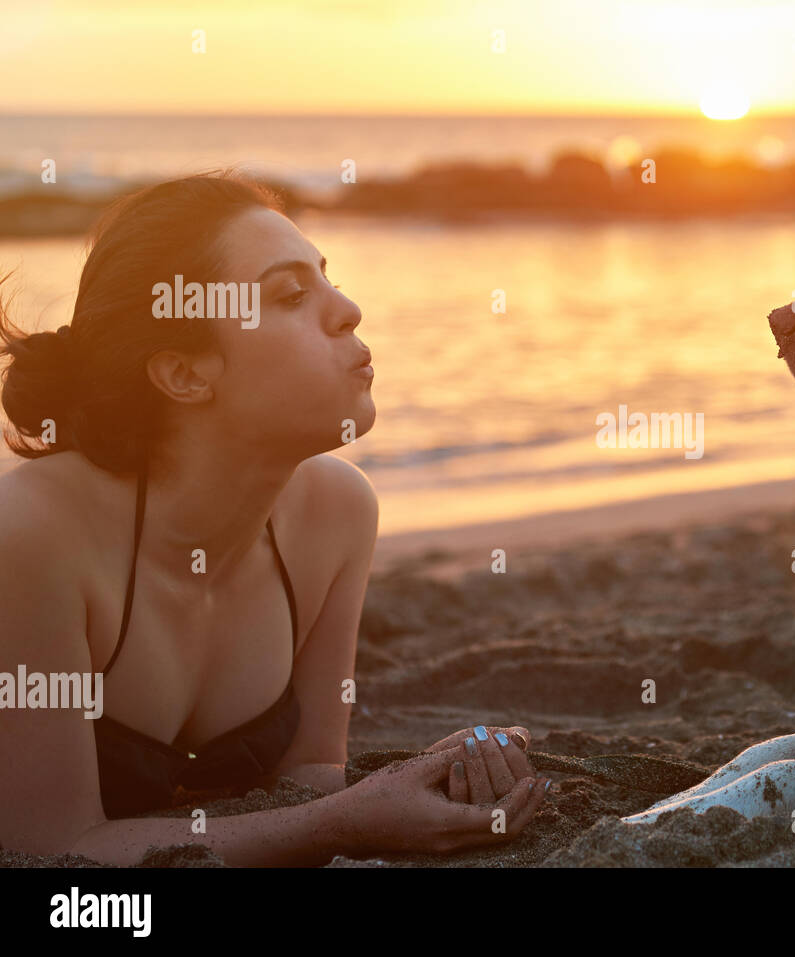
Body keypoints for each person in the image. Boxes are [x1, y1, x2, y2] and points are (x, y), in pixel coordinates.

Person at [0, 171, 549, 865]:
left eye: (328, 279)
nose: (347, 308)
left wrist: (417, 776)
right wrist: (349, 820)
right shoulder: (32, 535)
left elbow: (305, 779)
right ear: (184, 374)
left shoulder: (338, 513)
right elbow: (49, 850)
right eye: (291, 295)